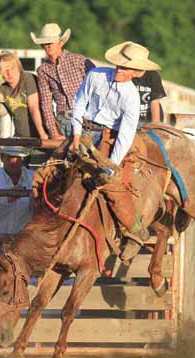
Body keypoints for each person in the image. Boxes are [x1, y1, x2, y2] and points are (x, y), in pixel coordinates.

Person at [71, 41, 160, 260]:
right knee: (50, 170)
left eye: (126, 68)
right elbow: (79, 101)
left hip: (109, 137)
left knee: (113, 185)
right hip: (84, 130)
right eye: (119, 65)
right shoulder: (96, 75)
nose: (120, 70)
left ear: (137, 73)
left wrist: (110, 165)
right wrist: (75, 133)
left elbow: (126, 135)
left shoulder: (131, 97)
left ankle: (135, 230)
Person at [31, 23, 95, 139]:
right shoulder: (43, 70)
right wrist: (53, 131)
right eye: (45, 43)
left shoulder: (80, 61)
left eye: (51, 42)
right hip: (64, 121)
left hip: (88, 118)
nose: (48, 46)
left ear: (60, 42)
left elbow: (99, 88)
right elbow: (46, 103)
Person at [0, 52, 49, 140]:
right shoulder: (4, 89)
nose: (9, 73)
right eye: (5, 70)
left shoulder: (28, 78)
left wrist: (42, 134)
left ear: (18, 67)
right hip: (21, 138)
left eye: (12, 68)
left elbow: (34, 107)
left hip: (41, 135)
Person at [0, 146, 34, 251]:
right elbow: (6, 198)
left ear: (23, 159)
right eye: (10, 157)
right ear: (2, 158)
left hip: (23, 240)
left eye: (18, 157)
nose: (14, 161)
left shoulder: (33, 176)